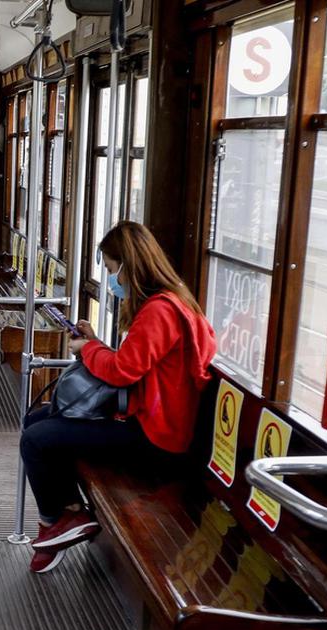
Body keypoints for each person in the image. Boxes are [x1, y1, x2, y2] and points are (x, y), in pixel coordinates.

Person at [21, 221, 216, 573]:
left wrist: (89, 348)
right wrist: (95, 342)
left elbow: (124, 371)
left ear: (129, 265)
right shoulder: (173, 302)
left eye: (113, 270)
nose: (114, 280)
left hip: (155, 438)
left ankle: (56, 521)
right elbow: (138, 366)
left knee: (36, 439)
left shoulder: (159, 311)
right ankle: (67, 515)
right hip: (149, 421)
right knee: (38, 421)